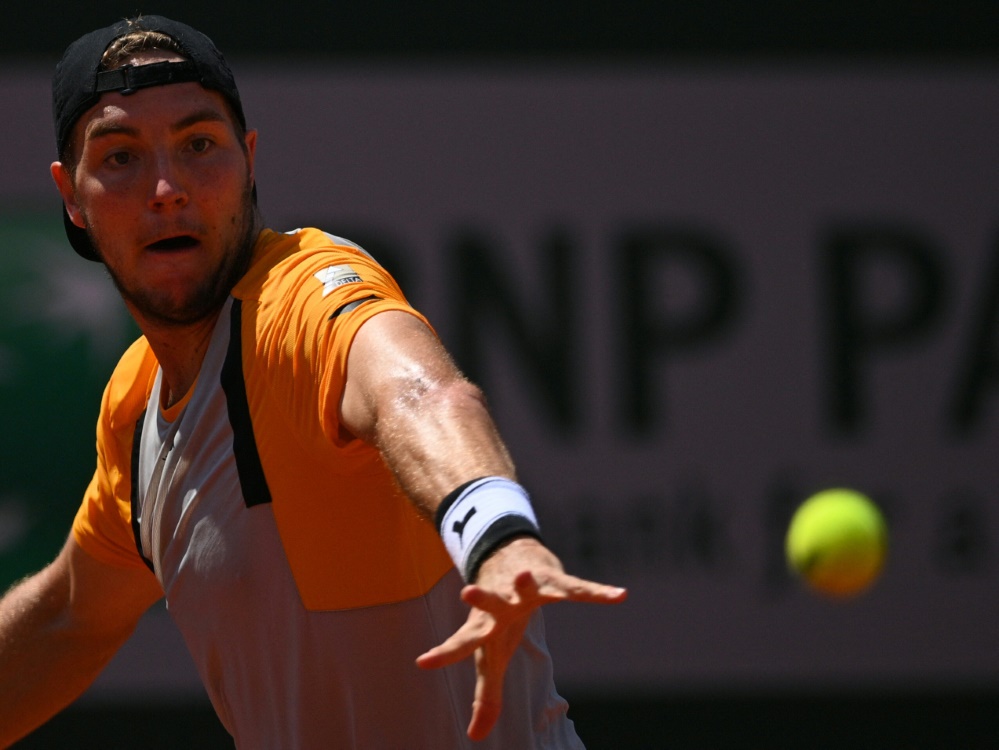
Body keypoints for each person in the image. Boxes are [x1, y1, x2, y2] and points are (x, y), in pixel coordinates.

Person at [0, 14, 627, 749]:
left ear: (249, 160)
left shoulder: (300, 295)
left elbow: (418, 392)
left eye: (200, 145)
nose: (167, 187)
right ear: (70, 196)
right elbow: (71, 616)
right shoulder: (135, 407)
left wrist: (496, 535)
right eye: (120, 157)